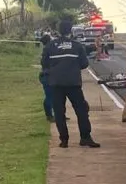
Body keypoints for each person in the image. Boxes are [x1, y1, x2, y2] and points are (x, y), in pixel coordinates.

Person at [42, 19, 101, 148]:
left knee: (59, 112)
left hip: (56, 84)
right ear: (71, 30)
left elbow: (44, 64)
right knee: (81, 111)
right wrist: (72, 67)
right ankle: (85, 137)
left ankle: (64, 140)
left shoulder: (50, 46)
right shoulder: (77, 46)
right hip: (73, 83)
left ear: (58, 30)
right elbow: (84, 64)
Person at [39, 34, 55, 122]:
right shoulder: (48, 50)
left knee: (53, 96)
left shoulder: (46, 49)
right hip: (47, 76)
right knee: (49, 97)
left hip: (48, 75)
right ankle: (49, 115)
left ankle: (56, 115)